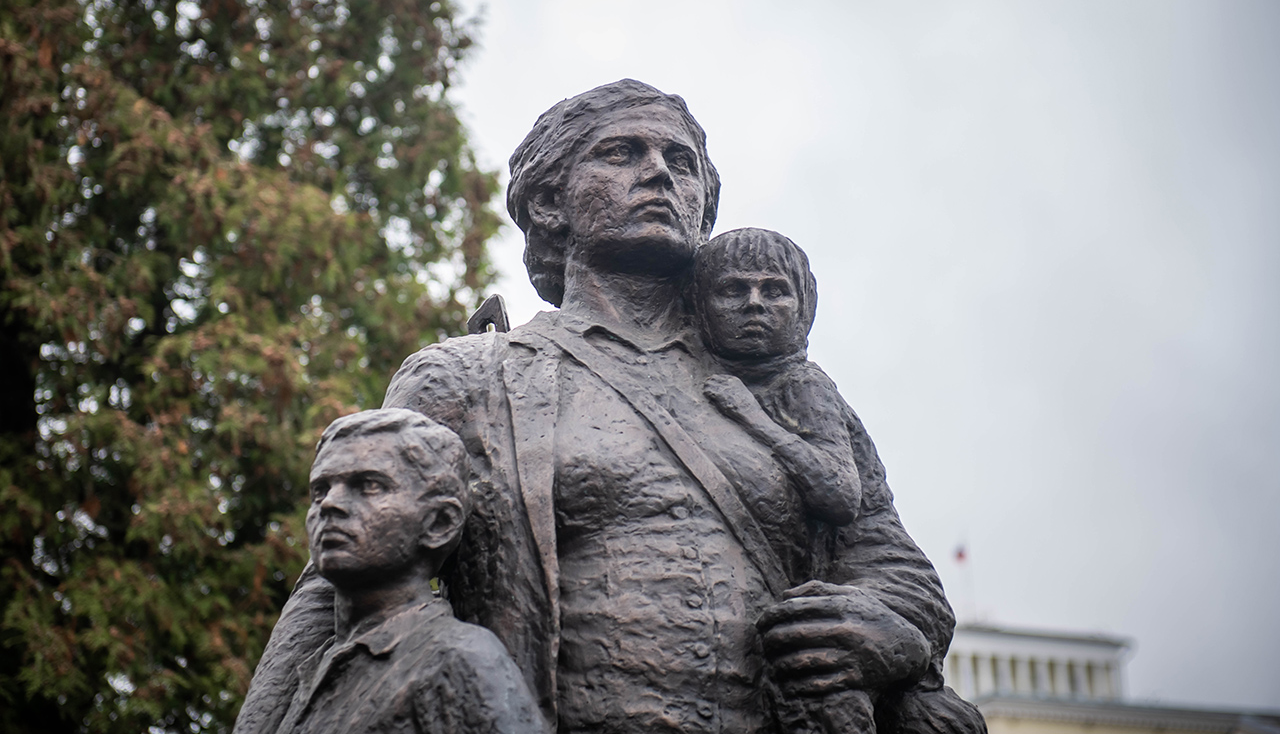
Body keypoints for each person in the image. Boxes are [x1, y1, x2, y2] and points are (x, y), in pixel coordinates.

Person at [235, 79, 984, 734]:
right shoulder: (464, 378)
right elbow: (338, 587)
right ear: (551, 200)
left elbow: (894, 565)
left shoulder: (788, 384)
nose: (658, 171)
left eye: (680, 162)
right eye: (622, 152)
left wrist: (883, 628)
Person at [273, 409, 544, 734]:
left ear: (439, 523)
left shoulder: (461, 661)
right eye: (320, 490)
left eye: (368, 485)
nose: (330, 503)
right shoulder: (315, 668)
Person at [693, 227, 862, 528]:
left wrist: (752, 418)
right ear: (699, 305)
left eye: (774, 291)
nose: (754, 303)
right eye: (733, 290)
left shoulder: (804, 384)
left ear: (803, 307)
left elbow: (841, 494)